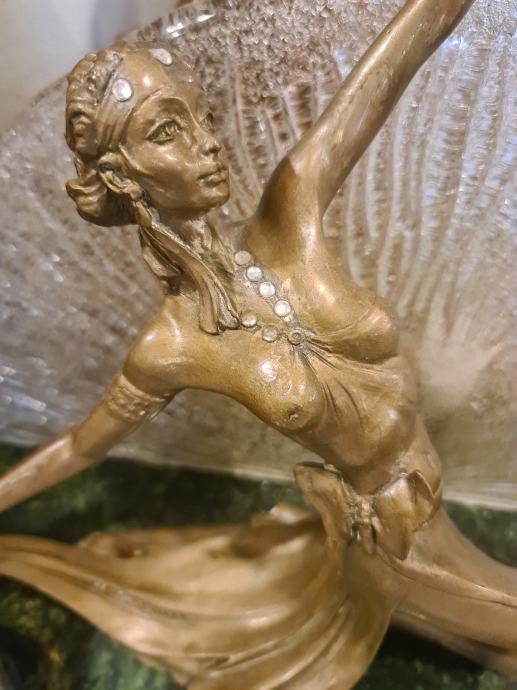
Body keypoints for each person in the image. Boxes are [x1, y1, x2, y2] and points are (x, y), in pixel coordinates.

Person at [0, 1, 515, 688]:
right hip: (393, 542)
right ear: (123, 176)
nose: (208, 143)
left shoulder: (291, 210)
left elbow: (397, 60)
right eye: (168, 131)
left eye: (200, 116)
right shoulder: (172, 346)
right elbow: (80, 447)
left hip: (430, 507)